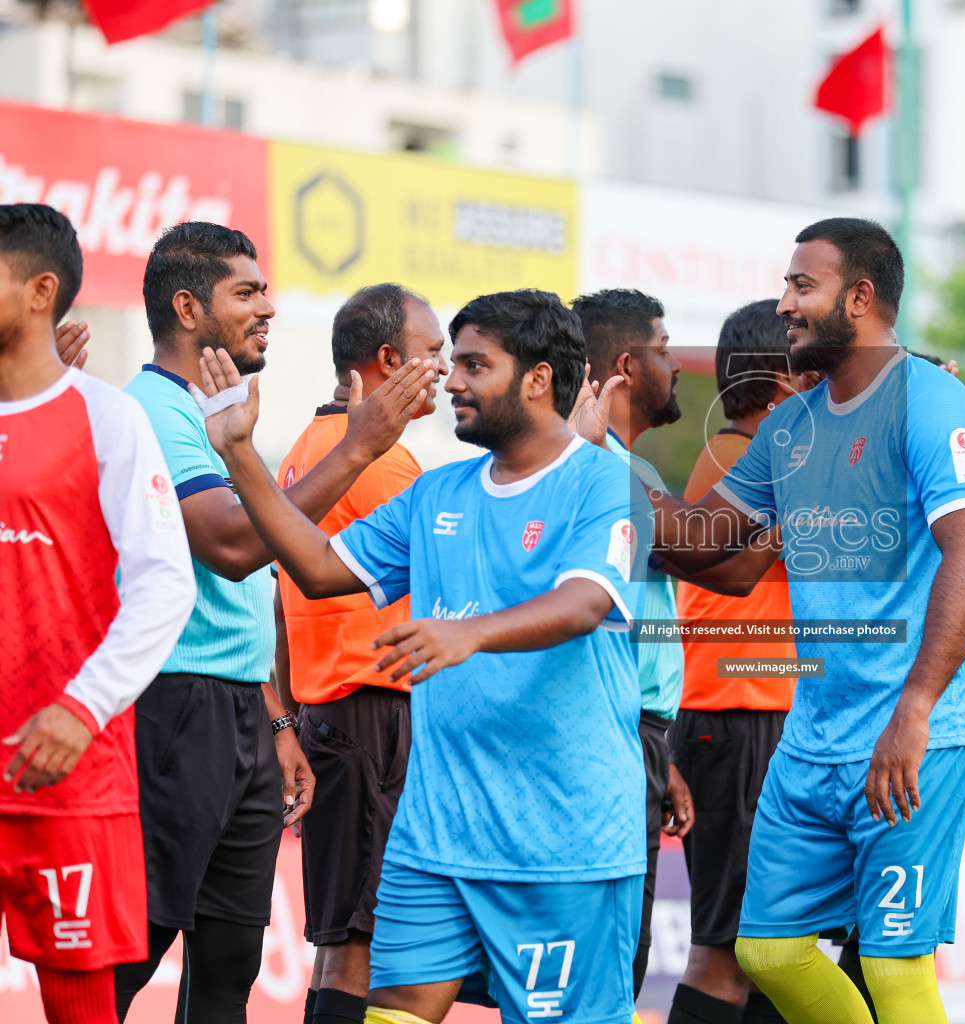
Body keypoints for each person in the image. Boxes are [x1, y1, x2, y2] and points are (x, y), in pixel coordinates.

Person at [204, 288, 648, 1024]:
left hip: (563, 843)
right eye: (453, 360)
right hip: (435, 838)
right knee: (396, 1007)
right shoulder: (436, 490)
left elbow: (586, 602)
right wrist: (240, 454)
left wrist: (466, 632)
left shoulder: (604, 481)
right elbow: (315, 569)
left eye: (475, 365)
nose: (453, 381)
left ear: (538, 379)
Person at [644, 217, 965, 1023]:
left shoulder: (931, 398)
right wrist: (592, 463)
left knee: (893, 960)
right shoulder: (790, 426)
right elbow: (707, 544)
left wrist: (913, 712)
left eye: (802, 286)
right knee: (767, 950)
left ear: (862, 297)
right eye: (786, 286)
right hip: (812, 739)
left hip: (917, 735)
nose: (785, 304)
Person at [114, 222, 435, 1022]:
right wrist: (359, 448)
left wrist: (277, 721)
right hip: (172, 705)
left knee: (230, 962)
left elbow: (255, 588)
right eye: (247, 293)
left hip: (239, 714)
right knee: (137, 947)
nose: (269, 308)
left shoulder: (219, 414)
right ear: (188, 308)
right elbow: (232, 546)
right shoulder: (153, 409)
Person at [0, 203, 195, 1024]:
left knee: (79, 1013)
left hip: (65, 775)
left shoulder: (108, 419)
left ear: (42, 291)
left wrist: (82, 709)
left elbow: (166, 583)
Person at [270, 284, 448, 1024]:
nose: (444, 370)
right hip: (371, 711)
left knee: (347, 939)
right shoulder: (378, 465)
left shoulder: (307, 452)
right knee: (358, 946)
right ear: (386, 361)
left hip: (335, 711)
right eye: (433, 353)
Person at [664, 299, 806, 1024]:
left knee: (777, 951)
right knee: (726, 954)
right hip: (739, 717)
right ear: (783, 380)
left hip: (768, 716)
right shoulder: (746, 457)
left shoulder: (761, 453)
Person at [571, 288, 696, 1001]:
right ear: (625, 365)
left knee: (622, 956)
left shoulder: (620, 467)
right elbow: (715, 559)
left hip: (643, 735)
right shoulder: (598, 471)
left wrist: (664, 755)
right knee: (610, 960)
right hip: (612, 737)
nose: (675, 363)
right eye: (662, 348)